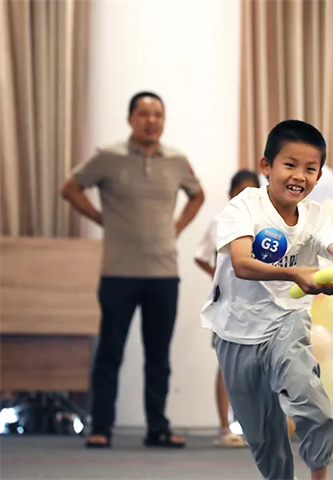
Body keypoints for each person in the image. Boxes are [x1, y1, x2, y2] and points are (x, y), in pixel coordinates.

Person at [200, 120, 333, 480]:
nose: (299, 176)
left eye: (310, 169)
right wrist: (297, 274)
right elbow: (242, 263)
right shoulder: (243, 207)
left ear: (318, 177)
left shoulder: (316, 216)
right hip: (236, 331)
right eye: (290, 164)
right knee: (264, 437)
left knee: (312, 403)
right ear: (266, 166)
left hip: (287, 322)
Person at [60, 91, 205, 448]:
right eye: (144, 114)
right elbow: (70, 188)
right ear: (130, 119)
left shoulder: (176, 160)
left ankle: (157, 427)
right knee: (110, 352)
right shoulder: (108, 157)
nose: (151, 121)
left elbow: (197, 194)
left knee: (159, 356)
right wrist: (100, 218)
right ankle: (101, 427)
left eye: (158, 114)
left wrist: (177, 227)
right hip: (118, 272)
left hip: (163, 272)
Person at [194, 169, 260, 447]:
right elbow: (200, 256)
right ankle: (225, 427)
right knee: (226, 364)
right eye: (240, 191)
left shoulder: (266, 223)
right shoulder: (219, 221)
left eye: (252, 191)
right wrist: (218, 276)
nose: (246, 197)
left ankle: (258, 427)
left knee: (261, 364)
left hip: (260, 301)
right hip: (228, 302)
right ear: (230, 194)